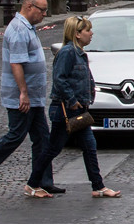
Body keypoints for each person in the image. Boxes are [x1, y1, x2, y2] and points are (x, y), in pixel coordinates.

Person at [0, 0, 60, 196]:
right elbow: (16, 63)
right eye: (42, 10)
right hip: (22, 97)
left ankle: (43, 180)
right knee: (16, 135)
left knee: (43, 138)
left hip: (33, 97)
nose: (45, 14)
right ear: (29, 7)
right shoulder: (18, 29)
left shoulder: (28, 28)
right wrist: (23, 92)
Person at [28, 16, 120, 199]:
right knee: (53, 149)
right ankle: (32, 184)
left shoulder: (78, 52)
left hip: (79, 109)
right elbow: (59, 79)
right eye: (87, 30)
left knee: (89, 146)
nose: (91, 33)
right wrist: (72, 100)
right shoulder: (68, 53)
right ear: (77, 34)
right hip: (65, 109)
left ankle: (98, 186)